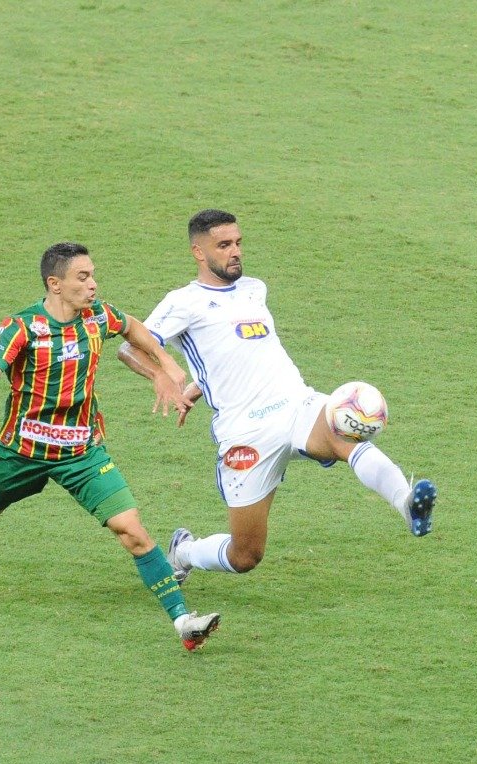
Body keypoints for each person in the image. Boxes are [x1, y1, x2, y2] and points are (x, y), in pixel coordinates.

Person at [0, 242, 220, 650]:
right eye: (83, 277)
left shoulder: (97, 316)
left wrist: (165, 366)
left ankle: (184, 622)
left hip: (82, 453)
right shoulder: (21, 327)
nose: (93, 285)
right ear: (54, 284)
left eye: (92, 275)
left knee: (133, 531)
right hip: (22, 453)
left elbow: (132, 327)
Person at [117, 210, 436, 584]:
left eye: (238, 243)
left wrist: (201, 383)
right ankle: (184, 552)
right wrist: (163, 376)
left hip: (295, 404)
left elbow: (239, 351)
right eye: (223, 245)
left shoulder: (254, 288)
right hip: (245, 434)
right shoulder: (184, 302)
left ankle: (407, 502)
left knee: (345, 432)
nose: (235, 251)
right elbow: (130, 348)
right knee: (246, 554)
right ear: (198, 253)